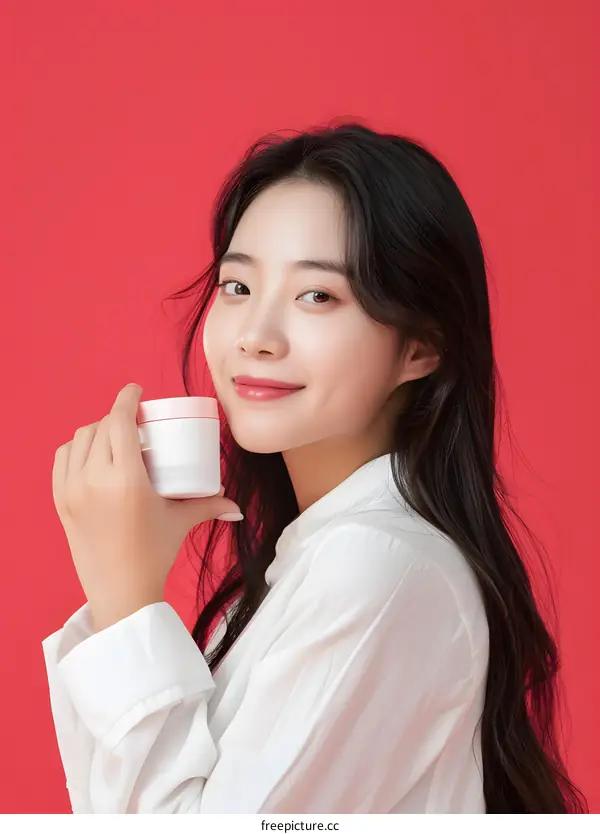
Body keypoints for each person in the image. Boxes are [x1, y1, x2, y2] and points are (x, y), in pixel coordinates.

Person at [43, 122, 587, 814]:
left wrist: (125, 600)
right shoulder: (307, 567)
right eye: (237, 287)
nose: (256, 337)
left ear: (422, 346)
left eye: (316, 297)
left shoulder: (376, 565)